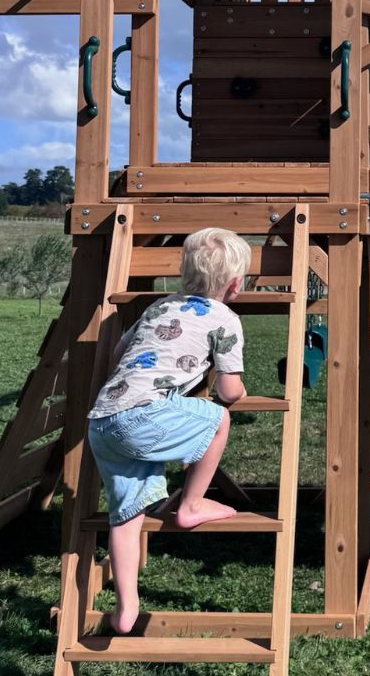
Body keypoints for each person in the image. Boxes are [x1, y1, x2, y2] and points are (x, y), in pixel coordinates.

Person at [87, 227, 251, 633]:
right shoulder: (225, 319)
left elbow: (118, 352)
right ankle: (191, 504)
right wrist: (239, 391)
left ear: (184, 273)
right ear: (235, 285)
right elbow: (228, 392)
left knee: (127, 515)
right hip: (143, 416)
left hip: (103, 420)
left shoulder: (159, 306)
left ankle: (126, 608)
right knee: (219, 420)